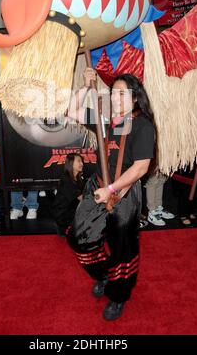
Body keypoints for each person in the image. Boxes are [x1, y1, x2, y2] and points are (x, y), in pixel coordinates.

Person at [67, 68, 155, 321]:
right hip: (97, 187)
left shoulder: (142, 125)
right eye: (113, 93)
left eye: (121, 93)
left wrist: (112, 190)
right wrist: (85, 86)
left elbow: (141, 167)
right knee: (79, 238)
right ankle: (104, 274)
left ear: (135, 97)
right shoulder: (105, 121)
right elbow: (71, 112)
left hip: (124, 193)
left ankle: (118, 296)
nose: (116, 98)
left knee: (122, 249)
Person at [52, 153, 85, 236]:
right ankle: (62, 225)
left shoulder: (78, 179)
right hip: (63, 213)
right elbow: (79, 197)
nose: (82, 164)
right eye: (79, 161)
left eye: (82, 161)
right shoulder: (65, 179)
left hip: (71, 209)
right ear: (71, 163)